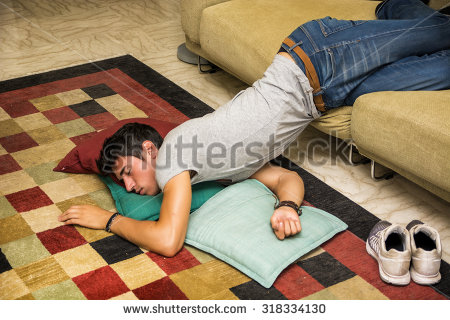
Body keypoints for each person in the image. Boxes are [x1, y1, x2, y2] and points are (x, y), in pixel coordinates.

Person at [59, 0, 450, 257]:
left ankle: (394, 5)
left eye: (126, 171)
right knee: (442, 67)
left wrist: (107, 220)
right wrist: (286, 207)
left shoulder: (173, 156)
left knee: (440, 31)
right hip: (329, 94)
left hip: (316, 58)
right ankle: (404, 10)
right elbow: (285, 180)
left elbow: (167, 241)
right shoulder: (216, 166)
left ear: (148, 150)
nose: (129, 187)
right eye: (123, 183)